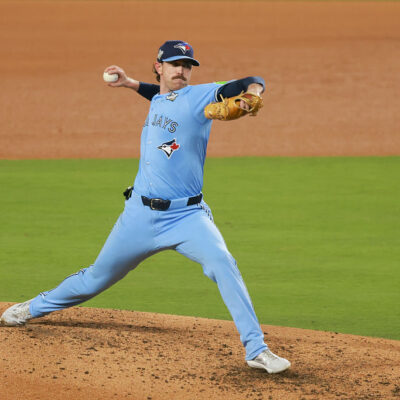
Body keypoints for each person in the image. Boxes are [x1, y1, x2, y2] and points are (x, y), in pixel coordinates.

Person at [1, 40, 290, 374]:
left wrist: (254, 91)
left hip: (187, 216)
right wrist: (129, 84)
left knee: (223, 263)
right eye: (175, 64)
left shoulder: (198, 96)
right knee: (94, 279)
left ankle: (257, 349)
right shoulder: (158, 97)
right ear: (159, 66)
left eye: (187, 65)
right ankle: (29, 309)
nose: (182, 70)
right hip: (139, 217)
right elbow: (158, 95)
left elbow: (250, 79)